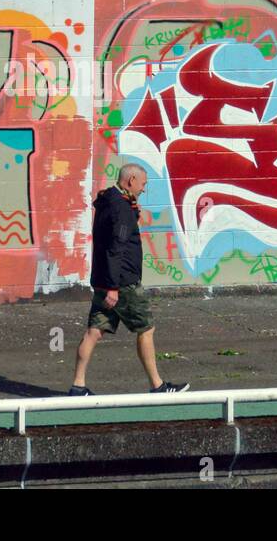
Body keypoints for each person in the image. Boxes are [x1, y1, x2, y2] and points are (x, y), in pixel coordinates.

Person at [68, 162, 189, 396]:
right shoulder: (121, 209)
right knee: (146, 328)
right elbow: (116, 247)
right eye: (143, 184)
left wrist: (132, 213)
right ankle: (158, 386)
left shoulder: (109, 201)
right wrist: (114, 288)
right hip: (123, 284)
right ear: (131, 180)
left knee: (94, 331)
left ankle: (78, 385)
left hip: (104, 280)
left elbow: (111, 235)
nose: (143, 189)